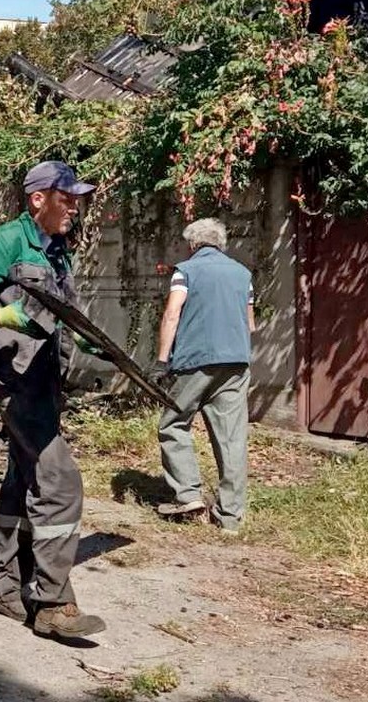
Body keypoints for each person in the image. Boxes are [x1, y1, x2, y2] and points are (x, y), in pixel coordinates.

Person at [0, 160, 108, 639]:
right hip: (13, 378)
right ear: (39, 198)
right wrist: (1, 318)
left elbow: (64, 312)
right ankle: (52, 601)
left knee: (23, 475)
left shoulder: (58, 251)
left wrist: (85, 340)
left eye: (77, 199)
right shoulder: (5, 242)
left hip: (44, 377)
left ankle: (1, 585)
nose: (75, 208)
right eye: (68, 198)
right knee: (59, 482)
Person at [151, 218, 255, 533]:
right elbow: (251, 324)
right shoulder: (243, 274)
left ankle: (187, 495)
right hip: (237, 362)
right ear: (220, 243)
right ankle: (230, 518)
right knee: (232, 437)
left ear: (193, 244)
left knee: (173, 423)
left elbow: (172, 313)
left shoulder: (186, 271)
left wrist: (161, 360)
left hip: (196, 360)